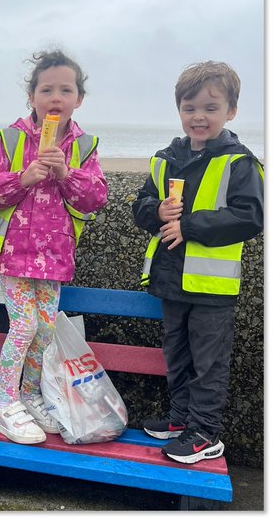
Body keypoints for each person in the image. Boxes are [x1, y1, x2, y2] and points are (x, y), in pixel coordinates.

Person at [133, 61, 263, 464]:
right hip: (171, 281)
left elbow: (251, 216)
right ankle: (181, 419)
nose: (199, 117)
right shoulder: (163, 159)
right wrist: (157, 210)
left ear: (231, 111)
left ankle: (205, 431)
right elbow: (140, 207)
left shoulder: (239, 162)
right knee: (177, 354)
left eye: (210, 107)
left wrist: (188, 225)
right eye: (189, 108)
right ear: (179, 110)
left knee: (209, 363)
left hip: (212, 288)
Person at [0, 49, 108, 443]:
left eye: (65, 90)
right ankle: (5, 402)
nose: (55, 98)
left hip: (55, 257)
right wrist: (24, 177)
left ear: (78, 99)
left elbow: (96, 199)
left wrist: (67, 174)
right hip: (14, 253)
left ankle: (30, 395)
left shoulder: (84, 146)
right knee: (24, 325)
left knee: (46, 330)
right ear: (31, 97)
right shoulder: (12, 138)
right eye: (46, 90)